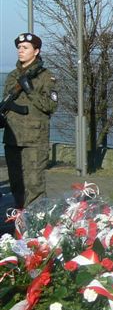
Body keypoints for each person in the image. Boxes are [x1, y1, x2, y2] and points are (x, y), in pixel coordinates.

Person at [2, 33, 57, 209]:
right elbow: (7, 102)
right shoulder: (12, 76)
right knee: (16, 185)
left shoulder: (45, 76)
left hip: (34, 140)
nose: (20, 51)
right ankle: (20, 224)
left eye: (25, 48)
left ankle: (37, 227)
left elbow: (50, 105)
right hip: (13, 138)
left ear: (36, 51)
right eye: (19, 47)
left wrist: (30, 89)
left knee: (34, 186)